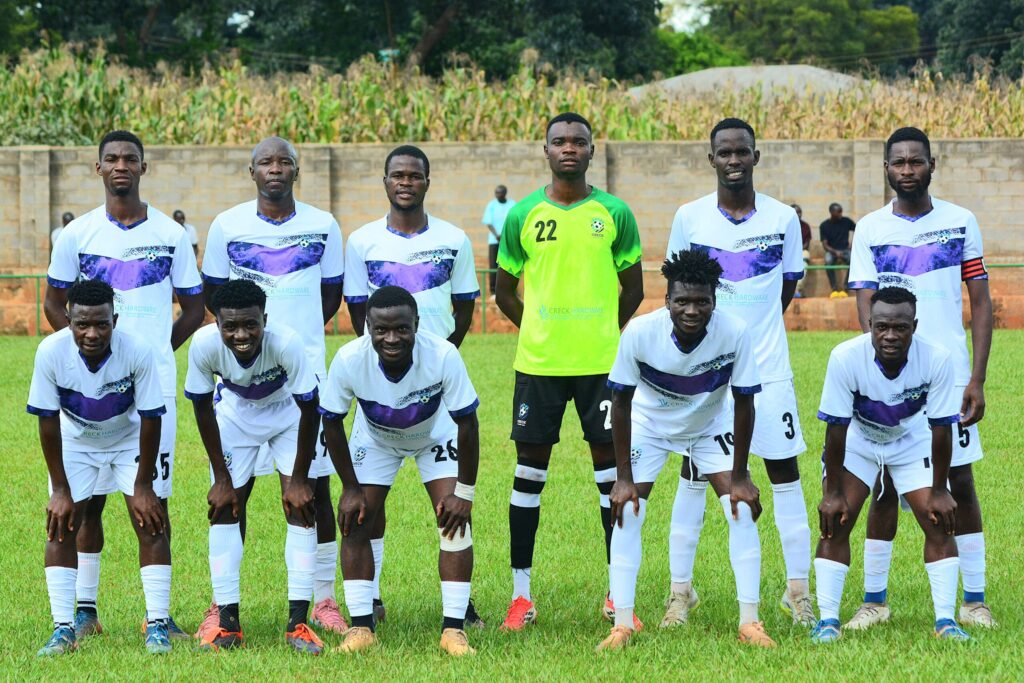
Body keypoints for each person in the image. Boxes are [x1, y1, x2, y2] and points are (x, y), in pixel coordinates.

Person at [44, 130, 204, 640]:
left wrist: (149, 358)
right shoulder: (77, 235)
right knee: (86, 504)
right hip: (90, 395)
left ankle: (159, 618)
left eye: (129, 159)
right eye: (111, 158)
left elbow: (194, 308)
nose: (120, 166)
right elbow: (53, 303)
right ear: (98, 168)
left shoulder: (171, 235)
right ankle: (84, 612)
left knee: (151, 502)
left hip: (151, 397)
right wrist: (88, 357)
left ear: (142, 167)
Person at [495, 112, 644, 631]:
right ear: (546, 150)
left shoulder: (614, 212)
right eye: (559, 141)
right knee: (528, 475)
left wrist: (602, 331)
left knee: (612, 478)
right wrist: (540, 329)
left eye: (578, 141)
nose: (568, 148)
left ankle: (617, 595)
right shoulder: (522, 215)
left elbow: (634, 289)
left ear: (591, 151)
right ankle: (521, 597)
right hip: (539, 365)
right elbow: (503, 291)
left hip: (602, 367)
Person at [845, 126, 995, 630]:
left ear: (933, 165)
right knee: (885, 482)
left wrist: (976, 379)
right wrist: (876, 376)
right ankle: (875, 601)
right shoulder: (870, 228)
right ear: (886, 168)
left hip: (948, 377)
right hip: (888, 379)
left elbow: (980, 303)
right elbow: (865, 305)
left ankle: (974, 600)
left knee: (961, 482)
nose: (907, 170)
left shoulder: (960, 221)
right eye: (898, 162)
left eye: (916, 161)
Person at [665, 118, 814, 627]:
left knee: (784, 474)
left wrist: (755, 335)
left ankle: (798, 592)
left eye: (742, 151)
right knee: (692, 474)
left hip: (769, 372)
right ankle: (680, 594)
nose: (733, 160)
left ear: (756, 156)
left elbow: (786, 287)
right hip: (706, 376)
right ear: (711, 159)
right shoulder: (689, 218)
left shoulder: (782, 219)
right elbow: (679, 293)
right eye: (724, 152)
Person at [201, 136, 347, 636]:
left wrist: (290, 343)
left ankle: (323, 599)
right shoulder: (227, 226)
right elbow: (215, 296)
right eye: (266, 162)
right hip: (241, 383)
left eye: (285, 161)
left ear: (296, 171)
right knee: (230, 494)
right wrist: (251, 343)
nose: (276, 168)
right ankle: (221, 605)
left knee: (314, 491)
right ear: (252, 172)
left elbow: (331, 296)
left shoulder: (323, 225)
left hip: (302, 380)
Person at [598, 249, 775, 651]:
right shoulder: (640, 333)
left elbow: (744, 402)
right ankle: (622, 625)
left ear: (714, 300)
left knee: (741, 507)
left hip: (710, 424)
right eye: (682, 301)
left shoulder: (735, 332)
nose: (691, 310)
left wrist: (741, 476)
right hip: (651, 425)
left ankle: (750, 621)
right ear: (667, 300)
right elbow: (620, 402)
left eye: (701, 301)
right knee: (627, 509)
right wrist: (623, 478)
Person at [343, 144, 480, 625]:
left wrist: (438, 357)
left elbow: (465, 306)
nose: (406, 182)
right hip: (380, 397)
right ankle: (371, 599)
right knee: (366, 509)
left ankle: (460, 608)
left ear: (427, 181)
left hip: (434, 393)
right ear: (385, 182)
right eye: (397, 175)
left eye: (414, 175)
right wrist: (384, 356)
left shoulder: (454, 239)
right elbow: (357, 310)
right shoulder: (361, 241)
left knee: (452, 507)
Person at [320, 286, 481, 656]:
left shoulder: (443, 355)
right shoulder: (349, 359)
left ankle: (453, 631)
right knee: (356, 520)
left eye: (401, 329)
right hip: (376, 439)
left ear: (417, 325)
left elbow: (468, 425)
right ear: (367, 327)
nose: (391, 338)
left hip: (434, 434)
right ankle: (362, 627)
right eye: (381, 330)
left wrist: (464, 493)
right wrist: (350, 488)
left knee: (454, 520)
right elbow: (331, 421)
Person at [811, 287, 969, 643]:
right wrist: (833, 492)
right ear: (870, 324)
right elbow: (835, 430)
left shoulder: (937, 358)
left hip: (910, 441)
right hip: (859, 442)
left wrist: (940, 490)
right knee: (836, 521)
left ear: (915, 326)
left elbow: (941, 429)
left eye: (900, 327)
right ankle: (828, 622)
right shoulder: (845, 357)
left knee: (938, 520)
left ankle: (945, 622)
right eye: (882, 327)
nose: (890, 335)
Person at [30, 280, 171, 656]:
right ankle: (64, 629)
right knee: (62, 524)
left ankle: (157, 624)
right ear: (68, 321)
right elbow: (47, 421)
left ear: (115, 321)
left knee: (150, 521)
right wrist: (60, 490)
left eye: (102, 324)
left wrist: (143, 486)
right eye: (82, 325)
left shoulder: (137, 350)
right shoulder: (50, 352)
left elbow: (151, 417)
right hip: (76, 441)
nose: (92, 333)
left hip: (128, 439)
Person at [185, 280, 324, 654]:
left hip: (288, 414)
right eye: (230, 326)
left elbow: (310, 409)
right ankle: (227, 624)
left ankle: (298, 625)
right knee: (224, 508)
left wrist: (298, 479)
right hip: (236, 415)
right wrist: (221, 478)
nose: (241, 335)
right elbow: (202, 410)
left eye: (251, 324)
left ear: (265, 318)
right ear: (217, 324)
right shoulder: (203, 345)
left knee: (300, 506)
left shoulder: (287, 343)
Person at [482, 185, 515, 296]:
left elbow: (513, 221)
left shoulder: (512, 204)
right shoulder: (491, 205)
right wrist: (497, 235)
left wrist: (505, 235)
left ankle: (510, 290)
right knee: (493, 265)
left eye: (500, 192)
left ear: (505, 193)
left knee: (510, 264)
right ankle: (493, 291)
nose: (498, 195)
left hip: (508, 240)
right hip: (494, 240)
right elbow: (488, 222)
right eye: (496, 192)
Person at [819, 203, 856, 298]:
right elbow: (825, 245)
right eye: (838, 212)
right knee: (828, 261)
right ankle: (834, 288)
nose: (840, 214)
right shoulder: (824, 225)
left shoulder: (846, 221)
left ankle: (846, 286)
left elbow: (858, 230)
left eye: (841, 211)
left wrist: (852, 243)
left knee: (854, 261)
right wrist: (835, 252)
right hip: (831, 251)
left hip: (845, 250)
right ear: (831, 212)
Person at [791, 204, 811, 298]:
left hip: (802, 251)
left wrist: (797, 251)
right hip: (788, 253)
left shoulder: (805, 226)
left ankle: (798, 290)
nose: (799, 214)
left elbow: (807, 243)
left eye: (800, 212)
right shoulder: (785, 225)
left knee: (804, 263)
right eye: (796, 212)